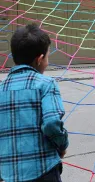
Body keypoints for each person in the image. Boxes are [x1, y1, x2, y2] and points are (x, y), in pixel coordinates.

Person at [0, 24, 69, 182]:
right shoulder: (46, 84)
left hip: (9, 174)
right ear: (39, 59)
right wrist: (62, 145)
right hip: (43, 171)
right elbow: (52, 123)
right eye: (47, 57)